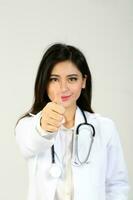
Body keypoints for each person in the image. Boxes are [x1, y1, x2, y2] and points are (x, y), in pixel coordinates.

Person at [15, 43, 129, 200]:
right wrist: (43, 126)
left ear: (83, 81)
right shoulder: (28, 125)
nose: (63, 88)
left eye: (72, 79)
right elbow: (30, 143)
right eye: (54, 79)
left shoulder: (105, 127)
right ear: (44, 82)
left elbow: (116, 185)